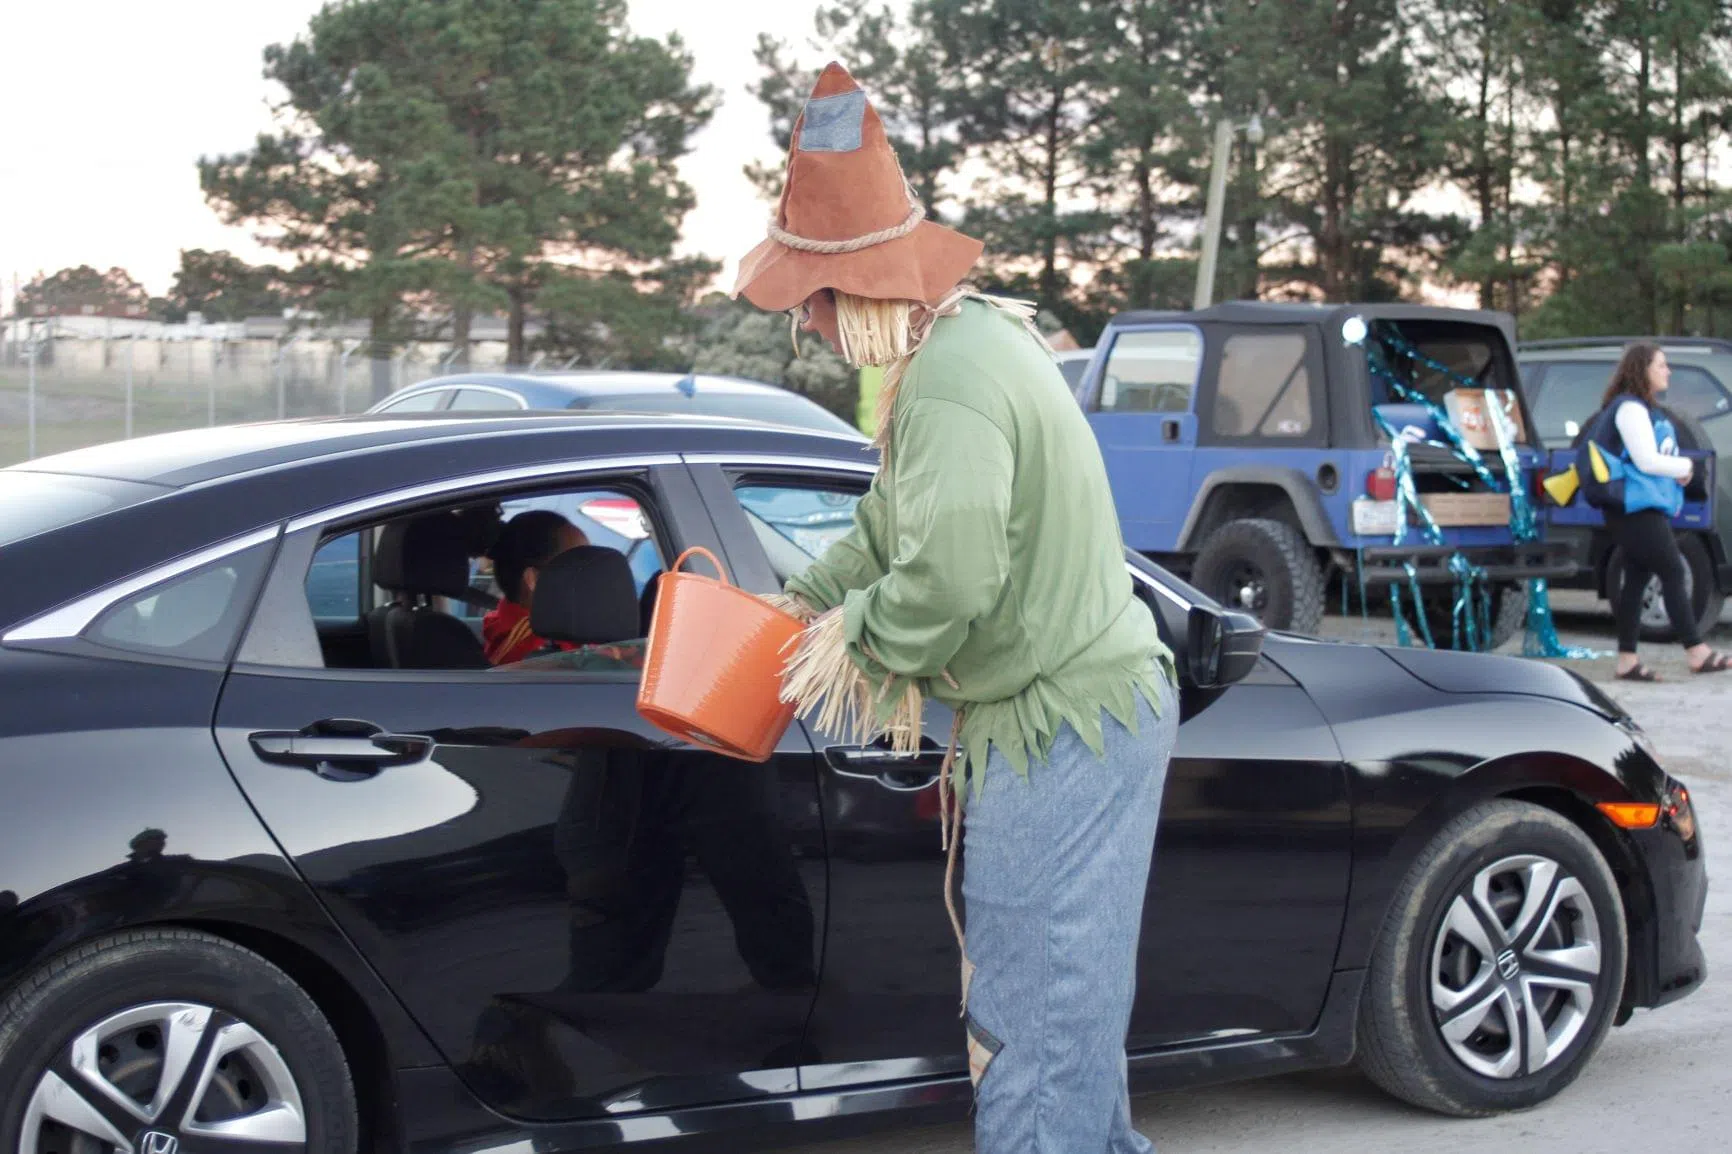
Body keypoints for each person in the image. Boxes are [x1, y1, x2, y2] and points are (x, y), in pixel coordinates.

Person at [734, 62, 1180, 1152]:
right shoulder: (965, 344)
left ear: (858, 291)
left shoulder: (947, 381)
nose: (814, 335)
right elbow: (897, 533)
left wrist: (848, 636)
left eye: (812, 312)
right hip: (1089, 711)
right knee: (1064, 1020)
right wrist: (796, 596)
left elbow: (950, 580)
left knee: (1028, 1025)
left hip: (1062, 725)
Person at [1584, 343, 1730, 680]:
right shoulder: (1630, 410)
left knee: (1635, 578)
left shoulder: (1643, 409)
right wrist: (1685, 466)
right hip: (1633, 507)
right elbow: (1646, 459)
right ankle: (1697, 651)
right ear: (1642, 370)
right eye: (1661, 365)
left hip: (1640, 506)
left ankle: (1627, 660)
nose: (1668, 371)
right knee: (1673, 572)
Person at [482, 510, 589, 665]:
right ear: (534, 579)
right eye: (577, 566)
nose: (591, 576)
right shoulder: (535, 653)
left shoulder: (558, 629)